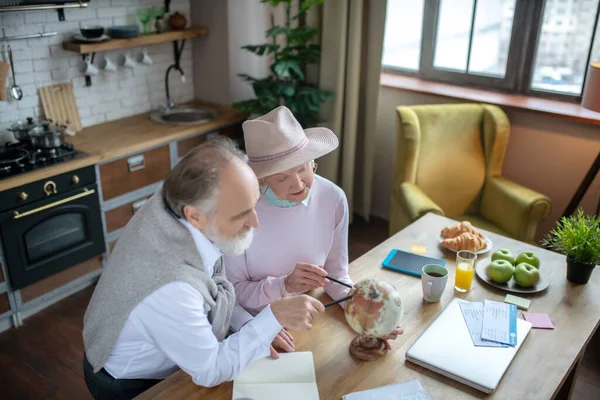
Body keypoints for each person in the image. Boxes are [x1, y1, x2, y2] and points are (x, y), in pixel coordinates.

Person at [82, 137, 324, 400]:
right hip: (132, 382)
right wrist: (272, 318)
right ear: (194, 216)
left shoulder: (177, 197)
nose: (255, 222)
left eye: (253, 205)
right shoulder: (171, 288)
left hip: (168, 354)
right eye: (241, 214)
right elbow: (210, 370)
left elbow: (214, 292)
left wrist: (257, 324)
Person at [224, 106, 403, 357]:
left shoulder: (333, 198)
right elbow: (230, 295)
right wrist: (258, 326)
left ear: (312, 159)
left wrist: (366, 317)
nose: (297, 184)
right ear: (262, 179)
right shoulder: (240, 212)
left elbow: (336, 275)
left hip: (306, 324)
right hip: (254, 327)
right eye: (281, 178)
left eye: (301, 168)